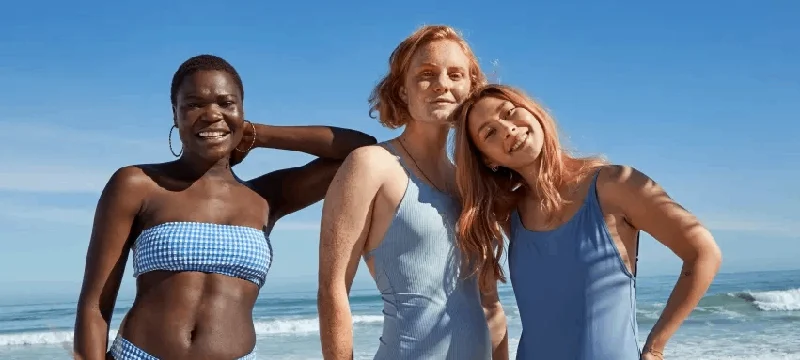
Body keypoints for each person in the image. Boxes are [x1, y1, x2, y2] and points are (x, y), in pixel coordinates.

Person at [72, 54, 376, 360]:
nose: (211, 114)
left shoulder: (266, 196)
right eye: (193, 104)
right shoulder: (137, 184)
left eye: (226, 104)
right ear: (175, 114)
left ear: (242, 110)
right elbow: (95, 304)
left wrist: (256, 134)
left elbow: (361, 150)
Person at [451, 84, 723, 360]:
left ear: (532, 110)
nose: (507, 129)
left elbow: (702, 252)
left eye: (509, 112)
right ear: (488, 160)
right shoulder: (509, 214)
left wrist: (655, 348)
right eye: (489, 133)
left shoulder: (615, 185)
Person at [317, 25, 508, 360]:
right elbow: (333, 289)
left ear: (470, 88)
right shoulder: (372, 165)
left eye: (455, 74)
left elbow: (489, 304)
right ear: (402, 91)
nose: (442, 84)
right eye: (426, 74)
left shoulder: (472, 183)